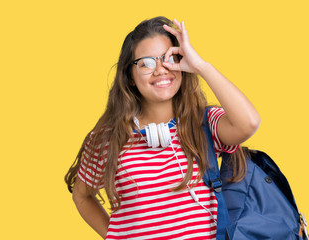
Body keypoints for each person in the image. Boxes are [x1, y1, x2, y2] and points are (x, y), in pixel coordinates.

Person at [65, 16, 260, 240]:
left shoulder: (204, 125)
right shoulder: (108, 139)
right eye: (146, 63)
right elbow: (82, 196)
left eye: (168, 58)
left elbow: (249, 123)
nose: (160, 70)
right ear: (130, 76)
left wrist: (201, 66)